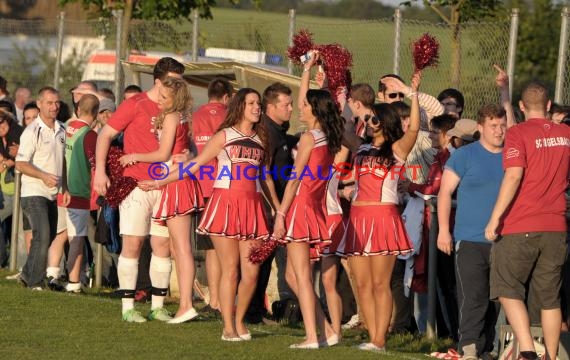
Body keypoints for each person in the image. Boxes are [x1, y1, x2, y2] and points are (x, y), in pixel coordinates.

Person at [141, 87, 280, 341]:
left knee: (252, 272)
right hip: (225, 205)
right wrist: (160, 182)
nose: (256, 107)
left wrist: (279, 210)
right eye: (251, 103)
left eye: (258, 103)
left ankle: (239, 321)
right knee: (231, 269)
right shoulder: (224, 136)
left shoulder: (262, 138)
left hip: (252, 208)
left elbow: (266, 177)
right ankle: (228, 327)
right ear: (239, 106)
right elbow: (195, 164)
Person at [94, 57, 186, 323]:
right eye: (172, 82)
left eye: (180, 82)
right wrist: (100, 171)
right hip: (136, 184)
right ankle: (127, 307)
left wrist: (188, 152)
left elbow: (183, 145)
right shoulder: (135, 104)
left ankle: (158, 306)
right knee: (133, 243)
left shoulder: (178, 109)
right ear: (157, 81)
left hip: (166, 184)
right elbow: (105, 135)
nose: (177, 87)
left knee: (163, 245)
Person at [485, 81, 570, 360]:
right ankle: (552, 355)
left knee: (508, 288)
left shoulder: (518, 133)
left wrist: (495, 218)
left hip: (521, 223)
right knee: (549, 297)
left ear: (521, 107)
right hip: (556, 226)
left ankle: (528, 350)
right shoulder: (566, 134)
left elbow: (513, 175)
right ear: (548, 106)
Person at [340, 70, 422, 352]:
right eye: (369, 118)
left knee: (379, 283)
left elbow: (412, 129)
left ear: (385, 121)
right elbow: (340, 130)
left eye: (375, 118)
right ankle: (372, 334)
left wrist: (412, 94)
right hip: (358, 219)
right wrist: (340, 97)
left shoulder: (397, 149)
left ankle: (379, 339)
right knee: (362, 284)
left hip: (384, 218)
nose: (370, 122)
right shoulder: (361, 148)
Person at [272, 50, 344, 349]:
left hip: (301, 205)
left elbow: (294, 180)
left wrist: (280, 213)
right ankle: (326, 330)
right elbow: (306, 101)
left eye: (305, 108)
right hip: (313, 206)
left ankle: (312, 336)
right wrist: (308, 71)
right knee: (293, 273)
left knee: (302, 276)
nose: (299, 110)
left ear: (314, 110)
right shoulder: (328, 136)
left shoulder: (307, 139)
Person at [120, 77, 204, 323]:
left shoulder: (171, 117)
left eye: (164, 96)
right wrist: (186, 156)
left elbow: (163, 153)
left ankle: (183, 305)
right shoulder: (184, 116)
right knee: (171, 246)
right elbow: (184, 150)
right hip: (174, 180)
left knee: (178, 248)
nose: (160, 100)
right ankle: (162, 306)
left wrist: (134, 156)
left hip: (172, 182)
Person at [437, 104, 507, 360]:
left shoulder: (512, 154)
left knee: (498, 299)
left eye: (502, 125)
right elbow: (444, 193)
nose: (499, 131)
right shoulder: (465, 155)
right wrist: (444, 231)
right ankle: (468, 347)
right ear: (480, 128)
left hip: (505, 240)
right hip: (470, 239)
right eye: (493, 126)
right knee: (472, 296)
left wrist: (505, 95)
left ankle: (487, 348)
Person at [245, 82, 294, 325]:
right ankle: (252, 311)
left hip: (277, 207)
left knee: (264, 260)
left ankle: (253, 309)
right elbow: (263, 174)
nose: (291, 109)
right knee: (261, 260)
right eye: (286, 105)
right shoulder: (266, 133)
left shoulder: (279, 130)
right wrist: (276, 209)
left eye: (292, 104)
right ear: (271, 107)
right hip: (268, 208)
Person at [15, 86, 66, 290]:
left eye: (57, 103)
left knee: (49, 235)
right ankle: (36, 282)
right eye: (49, 103)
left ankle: (27, 273)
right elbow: (21, 163)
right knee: (43, 234)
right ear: (39, 104)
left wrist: (66, 188)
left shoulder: (62, 129)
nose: (54, 107)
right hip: (33, 193)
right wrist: (43, 176)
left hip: (53, 195)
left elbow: (63, 161)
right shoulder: (32, 131)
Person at [192, 77, 232, 315]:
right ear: (227, 97)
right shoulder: (230, 117)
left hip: (203, 187)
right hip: (225, 187)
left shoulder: (196, 116)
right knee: (227, 247)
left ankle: (214, 300)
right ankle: (226, 301)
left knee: (210, 248)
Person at [59, 94, 99, 293]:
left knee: (61, 236)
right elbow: (95, 165)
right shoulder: (89, 135)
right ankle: (74, 282)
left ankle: (51, 273)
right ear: (96, 113)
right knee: (78, 238)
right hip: (78, 192)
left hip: (61, 190)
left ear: (77, 109)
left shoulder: (66, 129)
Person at [0, 110, 23, 267]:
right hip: (10, 189)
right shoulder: (3, 139)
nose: (0, 126)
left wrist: (6, 163)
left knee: (22, 231)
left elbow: (21, 155)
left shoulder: (17, 133)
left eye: (2, 122)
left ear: (8, 120)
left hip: (20, 189)